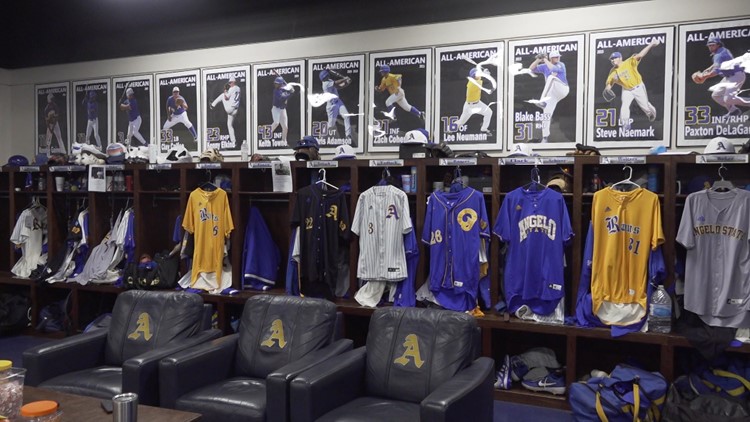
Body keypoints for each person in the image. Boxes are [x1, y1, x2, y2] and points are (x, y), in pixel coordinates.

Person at [604, 39, 659, 131]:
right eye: (611, 59)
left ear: (620, 58)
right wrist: (607, 89)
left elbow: (640, 55)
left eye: (614, 58)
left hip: (638, 87)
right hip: (626, 90)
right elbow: (609, 83)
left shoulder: (629, 62)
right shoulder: (613, 71)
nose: (613, 60)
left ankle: (651, 112)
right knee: (624, 105)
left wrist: (651, 44)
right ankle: (625, 125)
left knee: (645, 106)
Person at [695, 37, 750, 117]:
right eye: (709, 45)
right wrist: (708, 69)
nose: (710, 47)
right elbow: (717, 64)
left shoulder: (719, 55)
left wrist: (704, 77)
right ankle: (733, 111)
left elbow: (716, 72)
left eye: (713, 45)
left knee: (728, 99)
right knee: (716, 95)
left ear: (718, 45)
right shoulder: (721, 51)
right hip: (729, 77)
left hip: (736, 76)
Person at [529, 50, 569, 143]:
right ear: (551, 58)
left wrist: (545, 60)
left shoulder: (561, 64)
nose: (558, 58)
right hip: (552, 94)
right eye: (556, 57)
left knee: (551, 78)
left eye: (558, 56)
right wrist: (539, 60)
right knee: (546, 114)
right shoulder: (544, 66)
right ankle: (545, 137)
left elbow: (553, 69)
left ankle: (542, 101)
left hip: (562, 88)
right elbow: (531, 69)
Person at [319, 69, 352, 138]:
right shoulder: (325, 84)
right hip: (331, 105)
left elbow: (339, 87)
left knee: (347, 116)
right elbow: (337, 82)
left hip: (338, 102)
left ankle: (348, 135)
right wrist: (345, 79)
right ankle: (321, 135)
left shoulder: (329, 80)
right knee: (331, 125)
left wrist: (347, 83)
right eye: (326, 76)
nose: (327, 77)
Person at [210, 77, 241, 144]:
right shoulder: (238, 88)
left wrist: (225, 91)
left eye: (230, 82)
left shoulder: (232, 89)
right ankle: (233, 141)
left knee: (222, 95)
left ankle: (212, 105)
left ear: (233, 82)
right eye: (229, 83)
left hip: (230, 109)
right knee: (229, 125)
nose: (229, 84)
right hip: (235, 110)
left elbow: (226, 98)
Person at [271, 76, 295, 145]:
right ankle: (267, 135)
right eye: (275, 83)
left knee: (285, 127)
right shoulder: (276, 91)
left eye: (277, 83)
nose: (276, 85)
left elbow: (287, 90)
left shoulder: (284, 87)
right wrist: (291, 92)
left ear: (281, 84)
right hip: (276, 109)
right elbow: (282, 97)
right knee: (276, 123)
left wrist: (291, 89)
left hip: (282, 109)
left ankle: (283, 141)